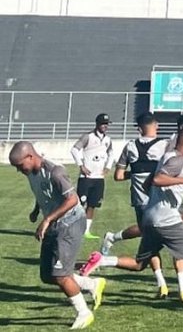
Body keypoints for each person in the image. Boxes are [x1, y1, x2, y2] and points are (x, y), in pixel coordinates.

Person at [80, 125, 183, 314]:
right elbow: (157, 180)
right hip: (167, 220)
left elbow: (149, 183)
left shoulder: (167, 157)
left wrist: (177, 184)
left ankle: (102, 260)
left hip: (151, 218)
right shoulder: (177, 159)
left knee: (139, 264)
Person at [10, 141, 106, 329]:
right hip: (54, 223)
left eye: (20, 165)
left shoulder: (55, 171)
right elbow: (43, 192)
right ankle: (91, 284)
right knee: (47, 275)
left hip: (70, 223)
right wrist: (36, 210)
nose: (19, 170)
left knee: (61, 275)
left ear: (30, 156)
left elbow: (72, 199)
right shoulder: (31, 172)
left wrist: (47, 219)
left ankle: (84, 313)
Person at [100, 112, 174, 297]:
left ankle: (162, 283)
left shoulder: (130, 146)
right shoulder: (165, 145)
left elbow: (118, 176)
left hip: (140, 202)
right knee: (165, 237)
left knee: (150, 241)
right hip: (159, 202)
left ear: (139, 129)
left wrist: (135, 174)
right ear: (156, 125)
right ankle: (181, 268)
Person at [71, 113, 114, 239]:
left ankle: (86, 231)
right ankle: (72, 229)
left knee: (92, 205)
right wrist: (81, 166)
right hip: (86, 178)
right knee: (79, 204)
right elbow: (74, 150)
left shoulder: (108, 140)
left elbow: (111, 153)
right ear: (97, 124)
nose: (105, 126)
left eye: (107, 124)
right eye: (103, 124)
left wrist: (108, 167)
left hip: (99, 178)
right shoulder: (88, 137)